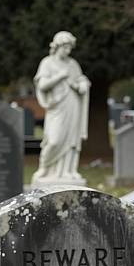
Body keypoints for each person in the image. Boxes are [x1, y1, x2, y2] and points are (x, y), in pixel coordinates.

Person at [31, 31, 91, 186]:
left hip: (73, 104)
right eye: (65, 47)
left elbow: (80, 81)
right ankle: (44, 167)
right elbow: (42, 85)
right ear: (57, 46)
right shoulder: (47, 63)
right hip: (57, 106)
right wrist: (60, 76)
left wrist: (83, 85)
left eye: (70, 48)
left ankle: (68, 171)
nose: (68, 51)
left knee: (71, 139)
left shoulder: (73, 64)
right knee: (54, 140)